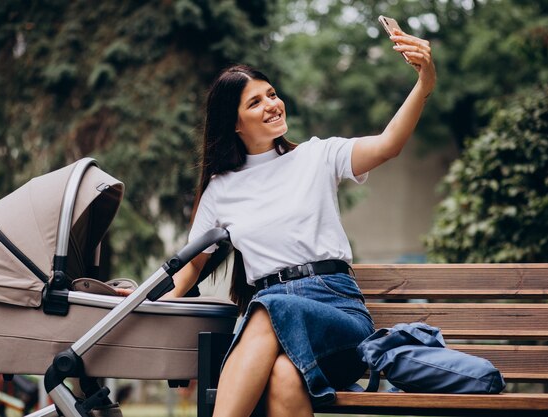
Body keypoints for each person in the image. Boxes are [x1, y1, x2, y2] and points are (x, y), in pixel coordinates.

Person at [119, 28, 436, 417]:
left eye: (271, 94)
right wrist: (140, 301)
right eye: (255, 102)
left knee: (269, 308)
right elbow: (188, 270)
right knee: (284, 375)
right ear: (234, 123)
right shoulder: (220, 190)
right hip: (269, 317)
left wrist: (424, 83)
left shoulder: (318, 156)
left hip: (336, 312)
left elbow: (389, 145)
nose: (272, 104)